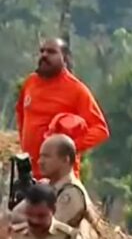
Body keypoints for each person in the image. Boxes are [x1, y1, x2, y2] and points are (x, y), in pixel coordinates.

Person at [16, 38, 110, 179]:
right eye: (42, 51)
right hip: (30, 175)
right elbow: (21, 116)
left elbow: (100, 130)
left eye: (51, 52)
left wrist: (67, 148)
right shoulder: (30, 83)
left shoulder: (76, 90)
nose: (44, 55)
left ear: (64, 57)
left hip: (61, 178)